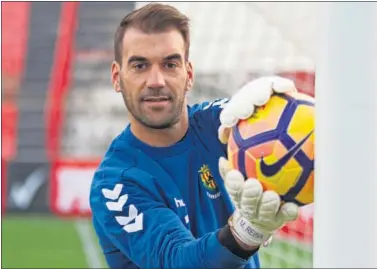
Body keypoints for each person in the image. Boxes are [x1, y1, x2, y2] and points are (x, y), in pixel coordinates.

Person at [90, 3, 300, 268]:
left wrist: (282, 105)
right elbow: (177, 260)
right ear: (117, 78)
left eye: (170, 64)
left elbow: (294, 130)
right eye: (140, 66)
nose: (156, 80)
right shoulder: (116, 184)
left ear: (188, 75)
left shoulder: (220, 125)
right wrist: (247, 231)